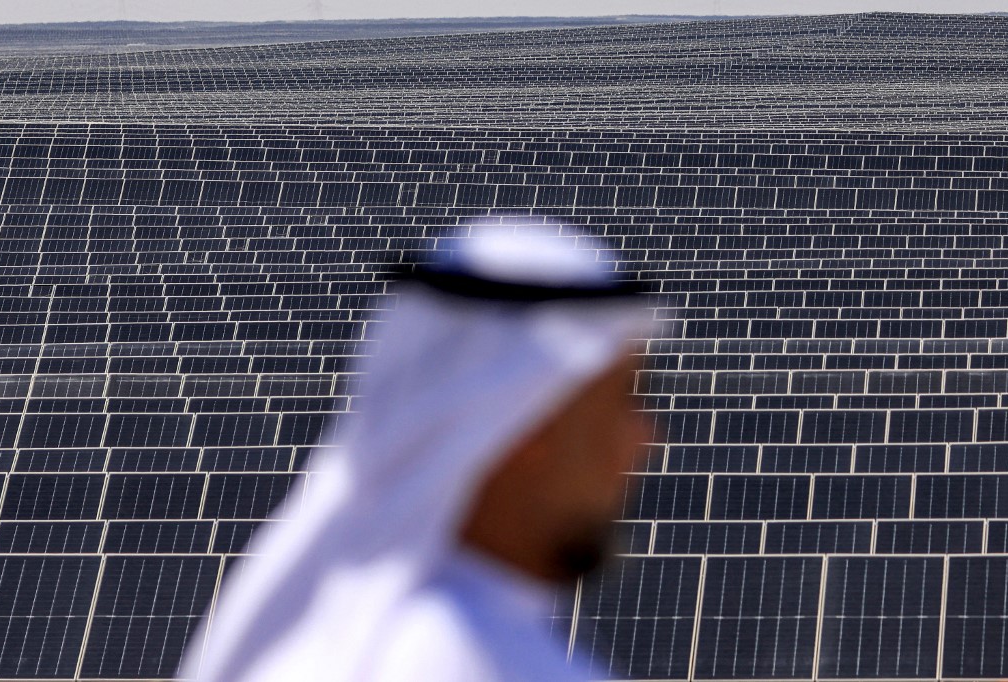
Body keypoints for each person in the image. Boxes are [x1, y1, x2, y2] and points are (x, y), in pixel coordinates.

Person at [179, 217, 653, 681]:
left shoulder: (327, 640)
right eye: (626, 399)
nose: (642, 440)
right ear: (529, 425)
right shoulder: (466, 661)